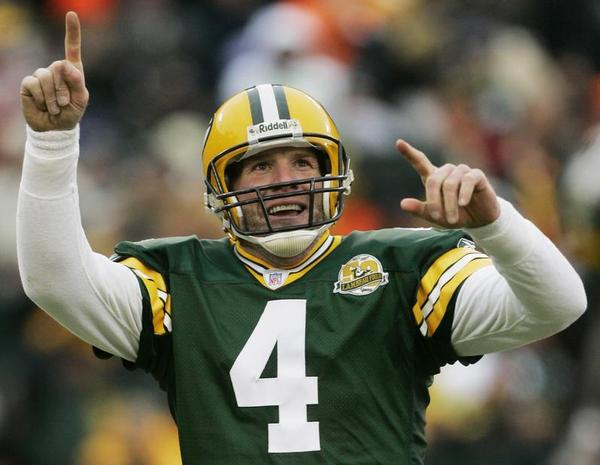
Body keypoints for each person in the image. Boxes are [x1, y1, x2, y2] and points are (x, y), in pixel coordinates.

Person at [17, 11, 587, 465]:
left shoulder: (404, 268)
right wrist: (53, 144)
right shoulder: (179, 280)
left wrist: (496, 224)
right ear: (223, 186)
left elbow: (561, 304)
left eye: (302, 162)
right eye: (260, 166)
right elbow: (54, 280)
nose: (286, 181)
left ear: (332, 173)